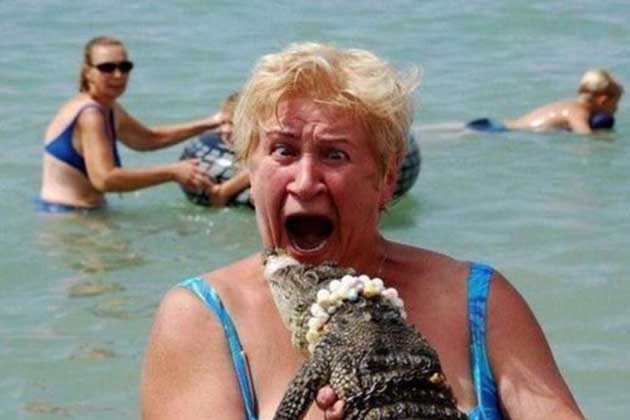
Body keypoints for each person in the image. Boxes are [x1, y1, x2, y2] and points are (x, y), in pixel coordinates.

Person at [141, 42, 585, 419]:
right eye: (283, 151)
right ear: (250, 172)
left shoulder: (481, 303)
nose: (305, 182)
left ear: (387, 180)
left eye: (335, 155)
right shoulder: (201, 318)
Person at [39, 35, 226, 212]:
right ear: (88, 72)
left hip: (80, 213)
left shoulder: (108, 107)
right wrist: (172, 172)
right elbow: (104, 179)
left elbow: (148, 139)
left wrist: (212, 122)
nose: (118, 75)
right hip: (69, 215)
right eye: (107, 68)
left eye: (125, 67)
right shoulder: (90, 114)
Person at [467, 69, 623, 135]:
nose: (616, 109)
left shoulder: (568, 105)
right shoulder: (578, 112)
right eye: (616, 103)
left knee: (459, 130)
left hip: (499, 123)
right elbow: (584, 135)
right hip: (499, 131)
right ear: (603, 100)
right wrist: (603, 139)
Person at [180, 91, 252, 207]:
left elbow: (260, 164)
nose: (225, 130)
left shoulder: (262, 143)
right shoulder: (214, 139)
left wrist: (225, 190)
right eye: (224, 123)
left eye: (232, 124)